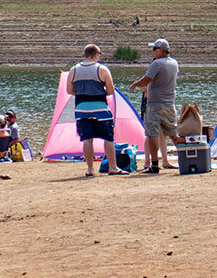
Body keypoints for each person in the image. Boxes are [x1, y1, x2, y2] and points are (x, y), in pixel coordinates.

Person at [67, 44, 128, 176]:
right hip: (100, 107)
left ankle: (90, 169)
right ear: (96, 54)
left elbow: (69, 90)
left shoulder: (74, 70)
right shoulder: (102, 69)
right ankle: (112, 167)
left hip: (81, 108)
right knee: (108, 138)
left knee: (87, 140)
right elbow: (110, 90)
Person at [130, 38, 179, 174]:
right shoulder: (174, 63)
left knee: (152, 134)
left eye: (154, 49)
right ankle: (186, 158)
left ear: (161, 50)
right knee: (173, 134)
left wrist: (135, 84)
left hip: (155, 104)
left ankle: (154, 165)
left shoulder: (157, 63)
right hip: (169, 104)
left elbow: (147, 79)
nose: (153, 52)